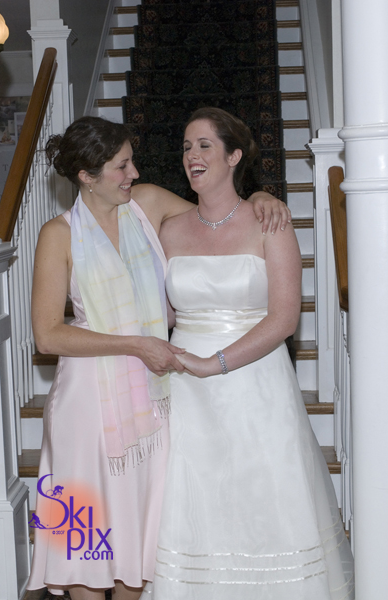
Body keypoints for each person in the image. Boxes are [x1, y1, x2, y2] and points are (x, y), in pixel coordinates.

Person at [26, 116, 290, 600]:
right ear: (87, 176)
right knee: (85, 545)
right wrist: (134, 344)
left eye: (132, 162)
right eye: (121, 166)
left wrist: (259, 196)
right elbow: (47, 335)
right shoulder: (57, 235)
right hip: (86, 407)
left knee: (141, 541)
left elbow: (217, 212)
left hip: (152, 400)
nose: (134, 173)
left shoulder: (146, 204)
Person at [150, 108, 355, 600]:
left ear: (234, 155)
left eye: (204, 145)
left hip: (255, 382)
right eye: (186, 146)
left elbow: (284, 318)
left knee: (262, 495)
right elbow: (163, 313)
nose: (192, 155)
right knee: (196, 498)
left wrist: (213, 363)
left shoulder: (271, 222)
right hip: (186, 388)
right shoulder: (168, 229)